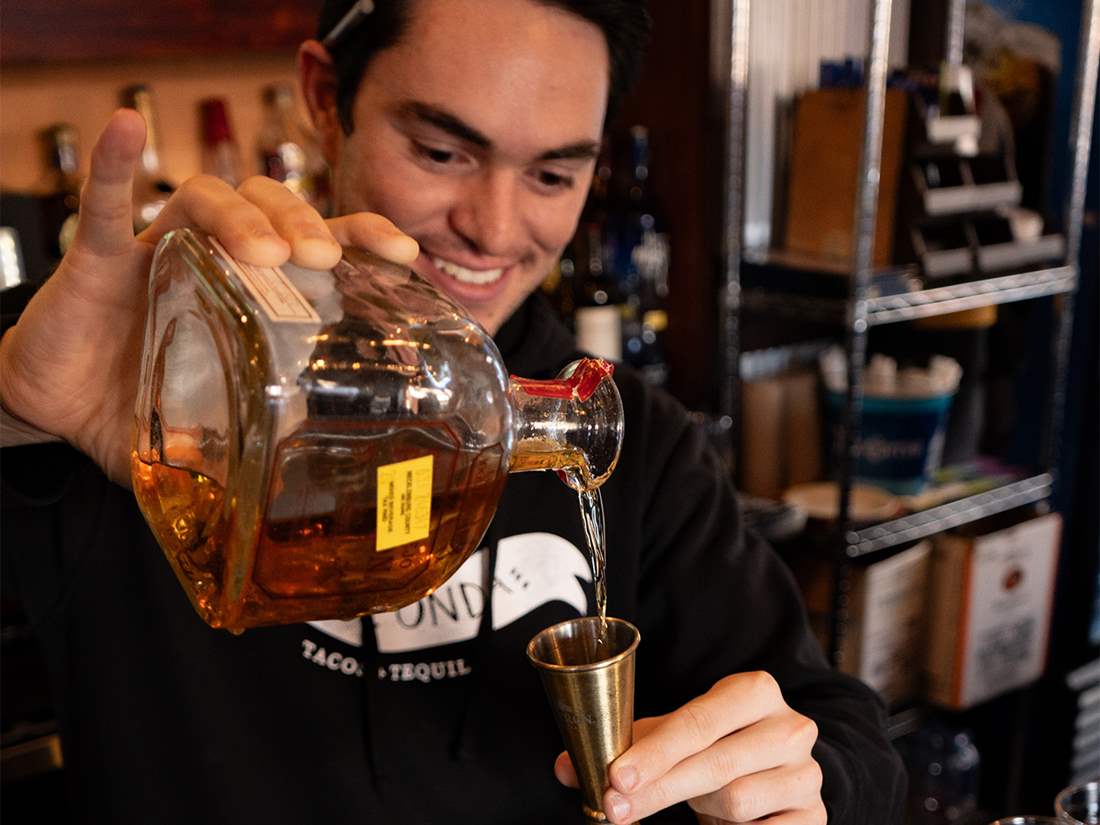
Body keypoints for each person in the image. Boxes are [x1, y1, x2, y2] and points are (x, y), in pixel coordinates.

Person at [0, 0, 907, 822]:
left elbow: (844, 731)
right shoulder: (136, 396)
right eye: (441, 152)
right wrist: (16, 406)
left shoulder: (639, 445)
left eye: (553, 175)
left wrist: (812, 776)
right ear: (326, 98)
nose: (495, 227)